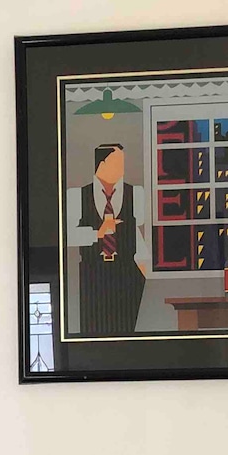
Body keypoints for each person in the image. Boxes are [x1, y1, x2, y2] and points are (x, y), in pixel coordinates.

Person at [66, 143, 147, 336]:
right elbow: (69, 237)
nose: (122, 168)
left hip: (127, 271)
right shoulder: (77, 195)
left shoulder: (135, 193)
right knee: (94, 328)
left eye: (122, 162)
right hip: (93, 272)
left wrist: (143, 267)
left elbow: (137, 230)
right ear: (101, 164)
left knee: (126, 327)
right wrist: (97, 233)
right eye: (116, 162)